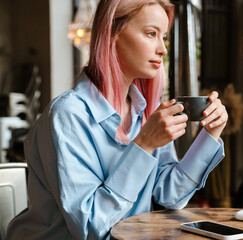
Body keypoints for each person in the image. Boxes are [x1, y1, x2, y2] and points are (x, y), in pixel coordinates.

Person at [5, 0, 228, 239]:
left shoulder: (144, 113)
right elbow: (90, 227)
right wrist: (143, 145)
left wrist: (210, 133)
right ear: (112, 33)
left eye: (163, 36)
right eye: (151, 33)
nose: (162, 49)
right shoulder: (67, 116)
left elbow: (170, 195)